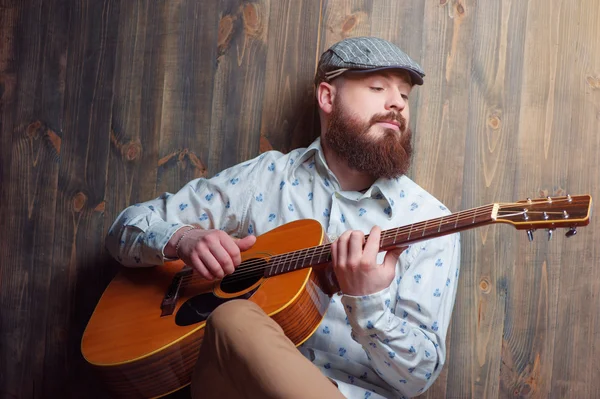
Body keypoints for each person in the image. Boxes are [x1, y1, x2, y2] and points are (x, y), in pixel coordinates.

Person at [106, 36, 461, 399]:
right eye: (377, 88)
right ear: (327, 97)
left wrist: (366, 303)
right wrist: (182, 239)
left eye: (404, 95)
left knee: (232, 317)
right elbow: (124, 229)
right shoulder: (266, 178)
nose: (396, 104)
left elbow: (419, 378)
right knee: (232, 319)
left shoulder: (431, 220)